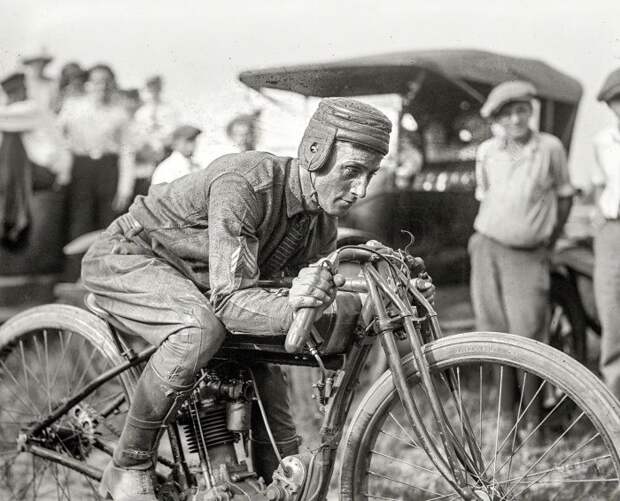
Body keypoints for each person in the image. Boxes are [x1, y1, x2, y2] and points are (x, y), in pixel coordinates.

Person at [82, 97, 433, 500]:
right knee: (197, 330)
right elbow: (232, 301)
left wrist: (374, 302)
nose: (361, 190)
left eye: (371, 175)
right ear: (315, 153)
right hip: (132, 257)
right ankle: (128, 464)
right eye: (352, 171)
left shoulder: (320, 221)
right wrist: (297, 302)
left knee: (268, 382)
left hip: (198, 282)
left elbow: (293, 305)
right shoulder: (247, 183)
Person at [469, 81, 574, 434]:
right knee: (493, 334)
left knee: (528, 337)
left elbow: (564, 197)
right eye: (506, 113)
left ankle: (534, 422)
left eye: (521, 110)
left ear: (531, 111)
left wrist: (547, 240)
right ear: (497, 118)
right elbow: (485, 196)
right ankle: (505, 421)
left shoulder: (549, 148)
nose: (515, 119)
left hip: (529, 255)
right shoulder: (486, 151)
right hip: (487, 248)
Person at [58, 63, 134, 242]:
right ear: (88, 84)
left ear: (113, 84)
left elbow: (127, 152)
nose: (103, 86)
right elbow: (57, 137)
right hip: (80, 169)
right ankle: (76, 269)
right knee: (79, 223)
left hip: (109, 170)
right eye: (97, 81)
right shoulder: (72, 107)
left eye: (107, 81)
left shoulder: (120, 113)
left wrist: (125, 188)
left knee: (109, 226)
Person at [0, 72, 71, 244]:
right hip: (31, 170)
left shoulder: (31, 108)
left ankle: (13, 218)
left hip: (48, 171)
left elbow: (5, 118)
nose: (13, 96)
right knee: (11, 143)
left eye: (16, 91)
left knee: (11, 144)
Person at [592, 68, 620, 399]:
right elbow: (599, 187)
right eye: (617, 102)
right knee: (613, 318)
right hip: (613, 233)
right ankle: (614, 413)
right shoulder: (602, 142)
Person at [130, 75, 178, 194]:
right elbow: (138, 133)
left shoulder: (168, 110)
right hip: (146, 154)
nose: (153, 92)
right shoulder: (141, 112)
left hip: (163, 151)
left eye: (156, 88)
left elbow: (172, 132)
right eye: (150, 88)